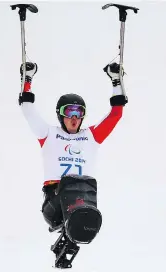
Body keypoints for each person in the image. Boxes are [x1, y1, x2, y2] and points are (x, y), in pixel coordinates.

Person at [18, 61, 127, 242]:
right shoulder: (49, 134)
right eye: (69, 112)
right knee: (70, 188)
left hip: (84, 200)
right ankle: (74, 222)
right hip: (55, 204)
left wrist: (116, 81)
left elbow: (115, 114)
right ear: (61, 115)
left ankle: (81, 227)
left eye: (79, 112)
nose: (74, 118)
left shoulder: (91, 136)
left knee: (83, 190)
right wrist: (27, 79)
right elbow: (28, 109)